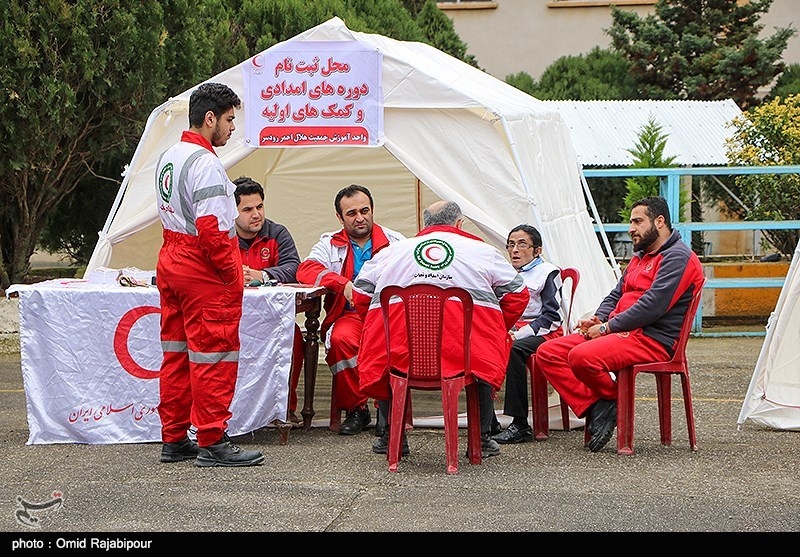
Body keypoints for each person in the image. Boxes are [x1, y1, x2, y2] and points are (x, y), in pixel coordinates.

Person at [352, 200, 530, 458]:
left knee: (385, 355)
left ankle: (393, 438)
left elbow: (359, 295)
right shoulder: (483, 252)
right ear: (459, 224)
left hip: (403, 353)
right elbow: (518, 295)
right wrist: (493, 328)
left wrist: (388, 329)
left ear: (425, 225)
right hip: (462, 355)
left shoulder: (391, 252)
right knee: (482, 352)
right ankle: (480, 440)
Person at [535, 196, 704, 453]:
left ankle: (611, 402)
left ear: (659, 222)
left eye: (637, 221)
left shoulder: (678, 258)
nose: (631, 228)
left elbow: (653, 306)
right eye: (631, 222)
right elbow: (616, 294)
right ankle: (603, 403)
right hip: (620, 331)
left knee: (581, 357)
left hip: (651, 338)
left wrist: (607, 327)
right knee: (547, 353)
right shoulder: (640, 256)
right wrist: (599, 318)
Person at [155, 82, 264, 467]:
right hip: (201, 266)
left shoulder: (170, 156)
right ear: (210, 118)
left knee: (177, 354)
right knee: (214, 355)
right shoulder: (206, 163)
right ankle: (213, 440)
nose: (232, 128)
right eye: (230, 120)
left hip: (172, 258)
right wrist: (233, 276)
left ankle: (174, 438)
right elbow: (214, 230)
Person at [296, 184, 405, 436]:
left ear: (373, 210)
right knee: (340, 340)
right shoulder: (330, 243)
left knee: (392, 342)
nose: (360, 218)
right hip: (350, 315)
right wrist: (342, 284)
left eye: (364, 211)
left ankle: (386, 410)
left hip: (387, 315)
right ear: (339, 217)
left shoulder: (396, 242)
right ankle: (357, 409)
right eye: (351, 213)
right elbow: (306, 270)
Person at [233, 176, 304, 427]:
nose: (256, 214)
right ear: (233, 212)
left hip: (272, 320)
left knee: (295, 337)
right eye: (247, 209)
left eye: (260, 207)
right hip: (231, 319)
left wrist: (262, 275)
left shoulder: (277, 233)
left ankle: (285, 408)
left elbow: (294, 267)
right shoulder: (222, 237)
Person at [492, 224, 564, 444]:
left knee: (514, 350)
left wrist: (520, 334)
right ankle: (487, 419)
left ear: (537, 250)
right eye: (511, 245)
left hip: (545, 332)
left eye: (522, 244)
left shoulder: (548, 272)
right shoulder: (506, 272)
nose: (515, 250)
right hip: (514, 329)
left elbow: (553, 317)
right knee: (480, 345)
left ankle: (520, 423)